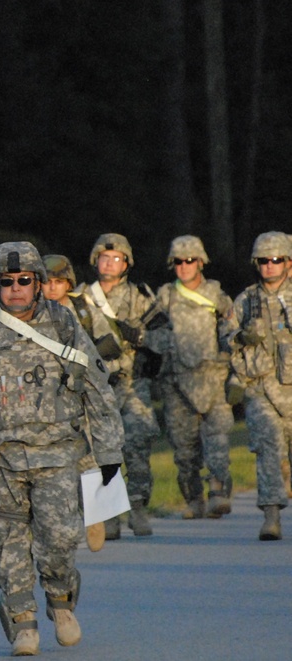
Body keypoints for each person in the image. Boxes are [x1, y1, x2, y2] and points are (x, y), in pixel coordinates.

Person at [0, 242, 124, 656]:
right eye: (7, 282)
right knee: (9, 548)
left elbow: (96, 385)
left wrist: (109, 452)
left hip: (57, 455)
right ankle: (23, 621)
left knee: (58, 540)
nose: (16, 289)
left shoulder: (63, 324)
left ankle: (61, 601)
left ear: (38, 284)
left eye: (24, 281)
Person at [142, 236, 234, 520]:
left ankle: (218, 491)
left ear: (201, 262)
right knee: (184, 449)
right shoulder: (165, 296)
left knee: (217, 438)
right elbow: (151, 333)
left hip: (212, 378)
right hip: (176, 382)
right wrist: (162, 343)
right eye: (178, 262)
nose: (183, 266)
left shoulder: (216, 295)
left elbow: (230, 330)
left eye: (189, 261)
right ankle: (193, 499)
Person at [76, 233, 161, 539]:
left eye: (116, 258)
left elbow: (165, 337)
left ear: (126, 263)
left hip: (132, 384)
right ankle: (107, 516)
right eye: (104, 257)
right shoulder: (80, 298)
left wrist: (141, 337)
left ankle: (137, 508)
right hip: (95, 388)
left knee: (137, 446)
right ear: (94, 260)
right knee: (99, 451)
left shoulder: (140, 297)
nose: (109, 263)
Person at [226, 231, 292, 541]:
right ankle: (271, 515)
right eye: (263, 261)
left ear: (288, 262)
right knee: (267, 449)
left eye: (276, 260)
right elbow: (225, 335)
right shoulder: (246, 300)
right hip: (260, 387)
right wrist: (240, 337)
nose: (269, 266)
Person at [42, 254, 106, 552]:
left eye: (59, 282)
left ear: (69, 283)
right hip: (44, 398)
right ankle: (65, 524)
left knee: (90, 456)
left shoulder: (83, 310)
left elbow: (106, 345)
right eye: (47, 282)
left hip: (81, 393)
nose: (52, 288)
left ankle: (97, 517)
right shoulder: (31, 314)